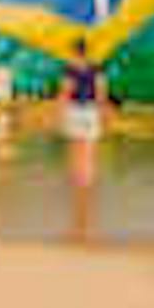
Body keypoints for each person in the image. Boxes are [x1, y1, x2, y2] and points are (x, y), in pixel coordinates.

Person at [58, 53, 107, 238]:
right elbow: (102, 93)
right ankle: (87, 199)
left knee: (75, 155)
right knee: (90, 156)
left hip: (74, 111)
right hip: (91, 112)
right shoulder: (98, 68)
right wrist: (104, 116)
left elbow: (65, 92)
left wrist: (59, 114)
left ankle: (77, 200)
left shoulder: (70, 68)